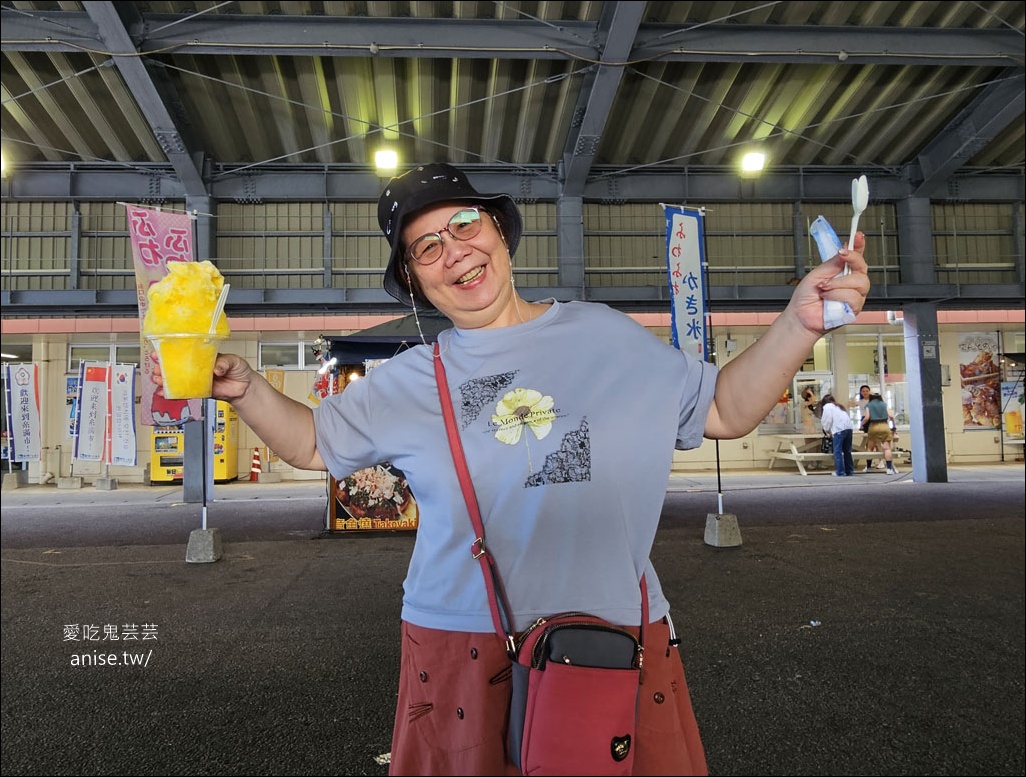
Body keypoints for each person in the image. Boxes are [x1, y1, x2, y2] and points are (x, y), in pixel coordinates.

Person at [173, 163, 870, 775]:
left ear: (500, 232)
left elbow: (722, 406)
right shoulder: (417, 375)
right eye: (427, 246)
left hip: (617, 630)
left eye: (465, 225)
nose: (455, 252)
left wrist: (799, 323)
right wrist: (249, 390)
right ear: (416, 279)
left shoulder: (604, 334)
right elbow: (315, 443)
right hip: (461, 638)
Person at [861, 392, 899, 474]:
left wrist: (862, 424)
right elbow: (891, 416)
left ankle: (868, 467)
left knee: (870, 448)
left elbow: (867, 418)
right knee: (887, 448)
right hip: (885, 426)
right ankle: (889, 469)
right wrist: (894, 425)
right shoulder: (884, 404)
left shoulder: (869, 405)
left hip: (874, 427)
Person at [819, 393, 855, 476]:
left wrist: (827, 431)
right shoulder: (839, 406)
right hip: (849, 428)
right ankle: (850, 471)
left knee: (837, 451)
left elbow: (827, 421)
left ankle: (840, 472)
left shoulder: (827, 407)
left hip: (839, 429)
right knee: (847, 451)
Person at [855, 384, 877, 471]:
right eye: (863, 391)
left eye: (867, 391)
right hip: (864, 420)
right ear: (860, 392)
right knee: (869, 443)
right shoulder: (860, 401)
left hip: (872, 420)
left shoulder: (873, 401)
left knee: (873, 443)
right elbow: (851, 404)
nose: (865, 393)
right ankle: (870, 464)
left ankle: (878, 462)